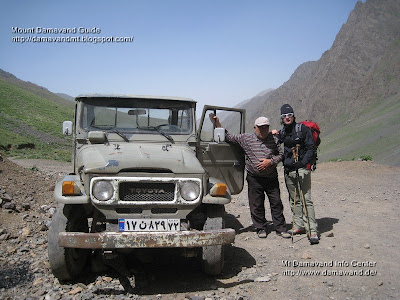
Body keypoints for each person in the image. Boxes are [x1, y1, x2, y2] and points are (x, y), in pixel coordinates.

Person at [212, 114, 290, 239]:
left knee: (276, 203)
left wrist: (270, 162)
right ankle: (260, 228)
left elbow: (281, 154)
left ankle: (280, 228)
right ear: (255, 127)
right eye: (260, 127)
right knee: (256, 204)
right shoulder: (246, 138)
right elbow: (229, 137)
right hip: (254, 178)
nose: (263, 130)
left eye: (265, 127)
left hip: (271, 177)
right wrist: (217, 123)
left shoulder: (274, 139)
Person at [274, 104, 319, 244]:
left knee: (306, 199)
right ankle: (298, 225)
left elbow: (311, 148)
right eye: (284, 116)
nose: (287, 118)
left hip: (302, 169)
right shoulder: (282, 132)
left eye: (289, 115)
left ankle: (312, 230)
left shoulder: (303, 129)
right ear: (281, 118)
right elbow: (278, 144)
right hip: (289, 170)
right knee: (294, 199)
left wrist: (303, 163)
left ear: (293, 116)